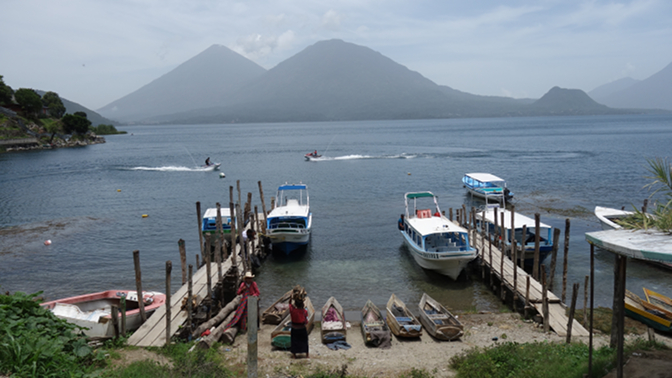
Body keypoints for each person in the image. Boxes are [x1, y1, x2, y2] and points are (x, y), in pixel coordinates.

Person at [289, 288, 309, 359]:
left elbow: (289, 304)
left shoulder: (292, 310)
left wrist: (291, 297)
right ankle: (307, 355)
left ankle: (294, 355)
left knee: (294, 341)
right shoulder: (304, 311)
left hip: (294, 328)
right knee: (304, 341)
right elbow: (306, 321)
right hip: (302, 328)